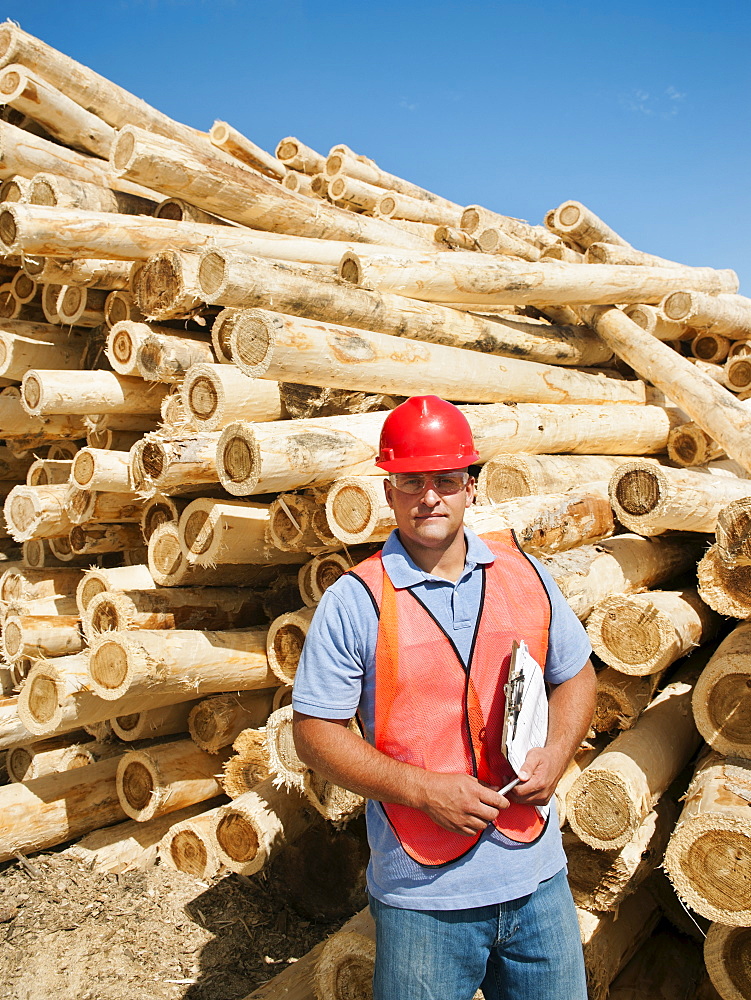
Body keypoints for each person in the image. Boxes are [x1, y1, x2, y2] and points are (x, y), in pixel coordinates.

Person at [292, 395, 596, 1000]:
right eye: (411, 481)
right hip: (423, 898)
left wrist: (557, 753)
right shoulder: (356, 600)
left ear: (470, 487)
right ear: (389, 492)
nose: (429, 495)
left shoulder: (525, 574)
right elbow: (314, 734)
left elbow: (578, 676)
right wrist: (423, 791)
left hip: (537, 878)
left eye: (445, 479)